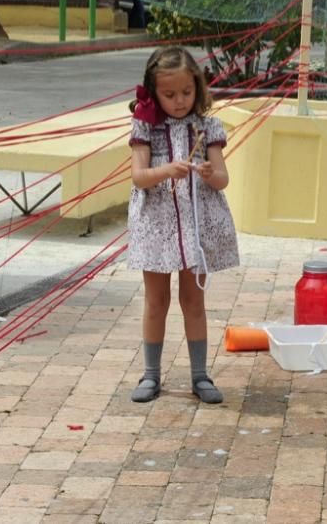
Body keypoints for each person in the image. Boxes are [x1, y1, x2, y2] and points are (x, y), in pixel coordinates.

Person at [127, 46, 239, 404]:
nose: (179, 101)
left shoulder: (207, 127)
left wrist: (210, 172)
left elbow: (223, 179)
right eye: (169, 94)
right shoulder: (145, 127)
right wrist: (166, 170)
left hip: (194, 226)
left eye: (187, 93)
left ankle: (200, 375)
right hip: (156, 225)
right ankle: (151, 375)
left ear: (199, 88)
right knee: (155, 301)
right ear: (154, 92)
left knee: (194, 301)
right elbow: (139, 177)